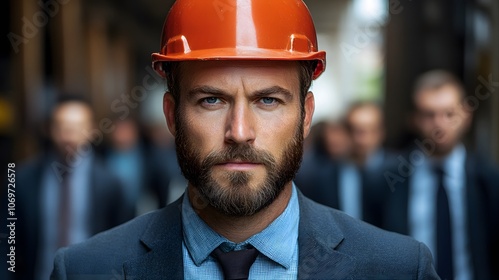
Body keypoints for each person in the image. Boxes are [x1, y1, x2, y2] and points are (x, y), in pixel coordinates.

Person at [51, 1, 438, 279]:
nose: (239, 132)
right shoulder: (86, 270)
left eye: (267, 100)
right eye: (211, 100)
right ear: (172, 115)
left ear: (306, 117)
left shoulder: (399, 268)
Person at [382, 70, 499, 279]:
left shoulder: (488, 180)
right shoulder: (390, 179)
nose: (439, 123)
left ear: (466, 116)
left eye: (449, 113)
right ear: (415, 119)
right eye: (429, 114)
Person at [10, 95, 133, 280]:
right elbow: (8, 238)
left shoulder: (110, 182)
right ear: (49, 129)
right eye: (62, 127)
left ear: (92, 129)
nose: (69, 136)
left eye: (77, 127)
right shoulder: (23, 179)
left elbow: (124, 243)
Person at [296, 102, 392, 224]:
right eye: (356, 130)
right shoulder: (322, 177)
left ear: (381, 131)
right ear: (345, 131)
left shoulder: (399, 172)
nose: (362, 139)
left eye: (370, 130)